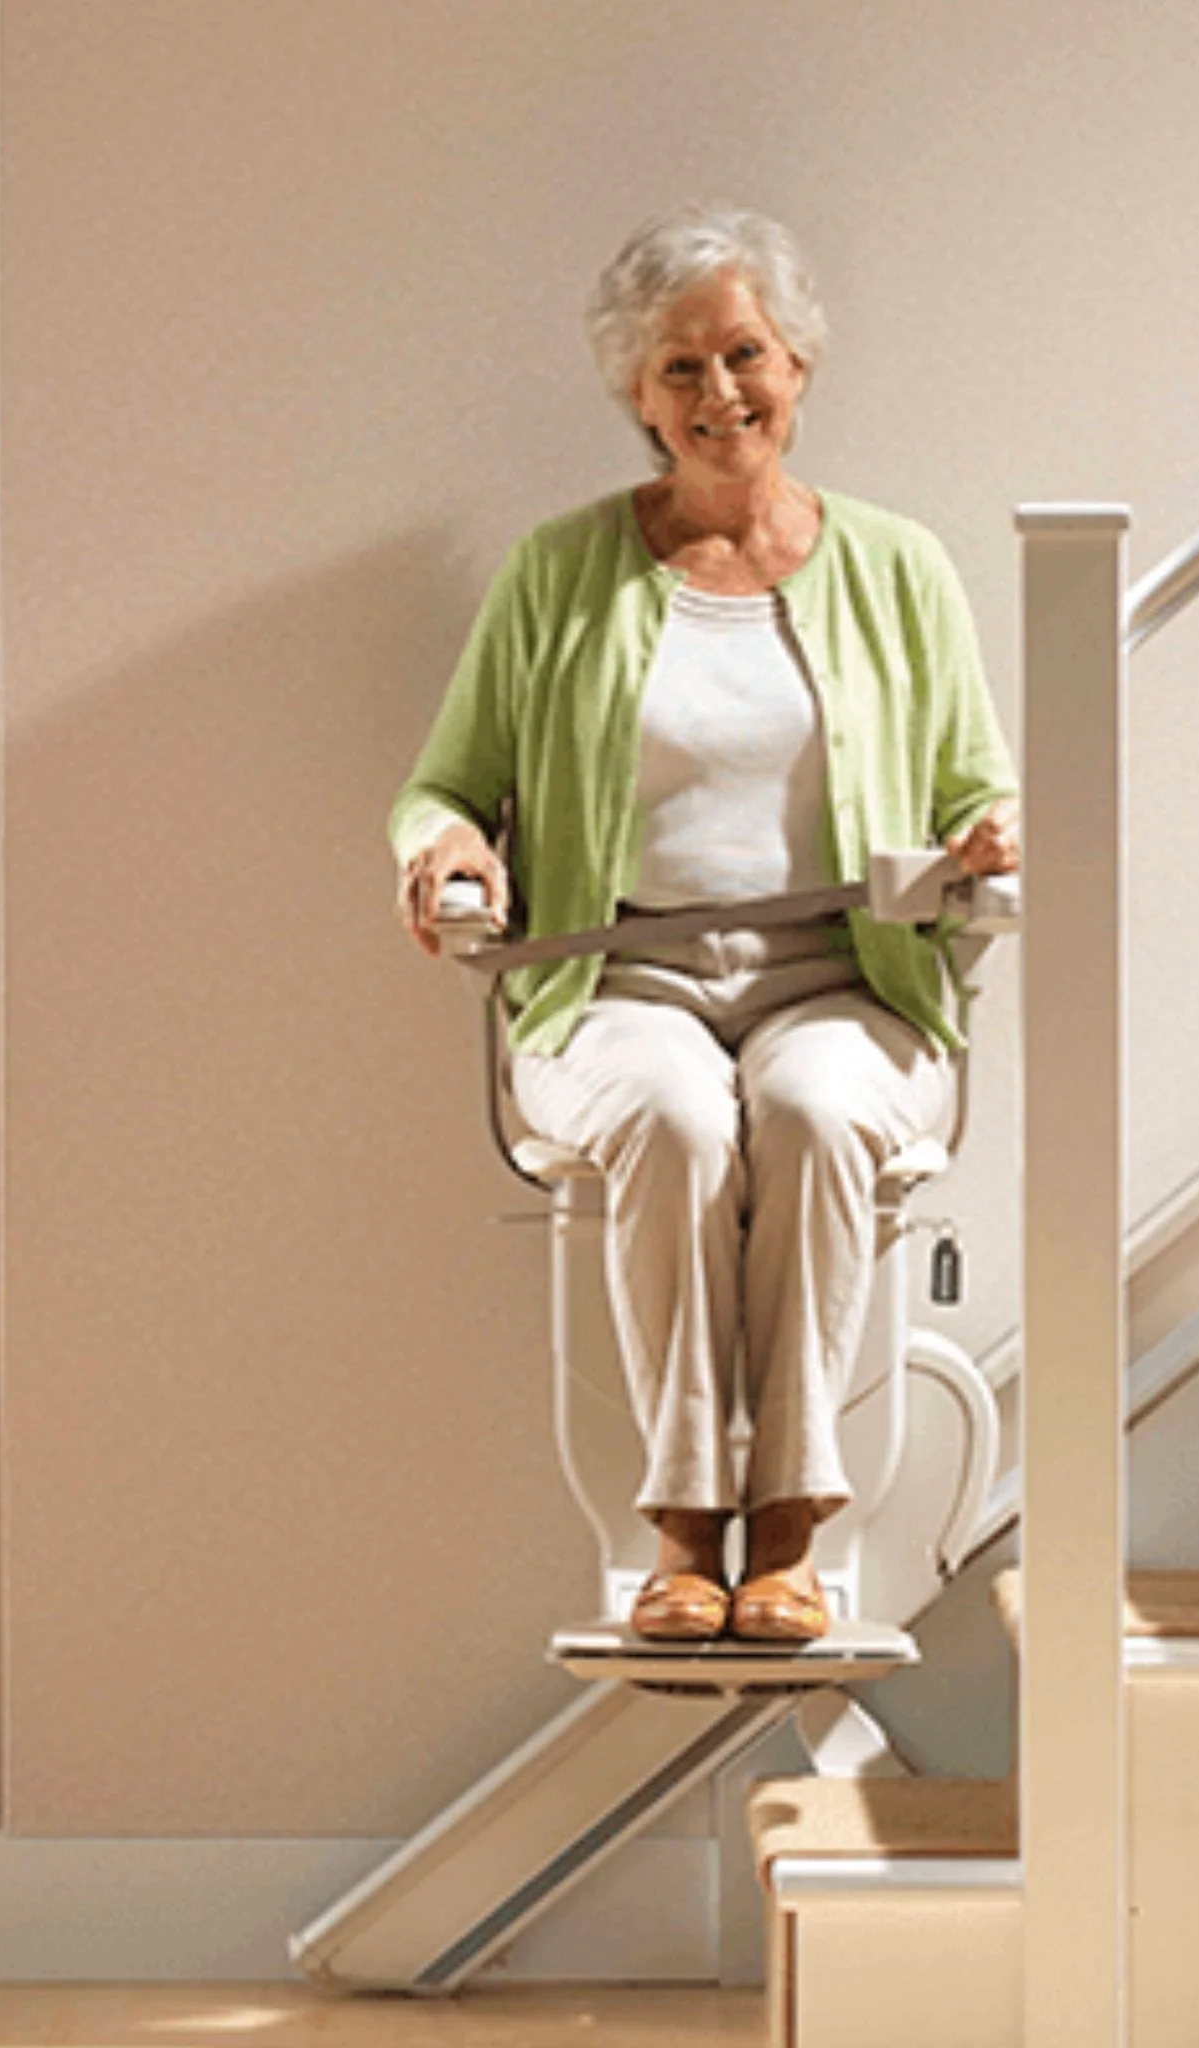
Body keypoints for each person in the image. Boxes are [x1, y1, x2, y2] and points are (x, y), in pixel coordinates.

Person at [391, 206, 1018, 1645]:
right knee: (677, 1115)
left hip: (846, 977)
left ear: (798, 363)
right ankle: (681, 1533)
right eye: (681, 368)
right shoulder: (562, 573)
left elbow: (983, 780)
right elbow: (442, 783)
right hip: (618, 981)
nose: (719, 393)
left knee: (804, 1104)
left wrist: (995, 836)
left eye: (745, 354)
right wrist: (442, 845)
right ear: (636, 396)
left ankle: (788, 1534)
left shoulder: (900, 568)